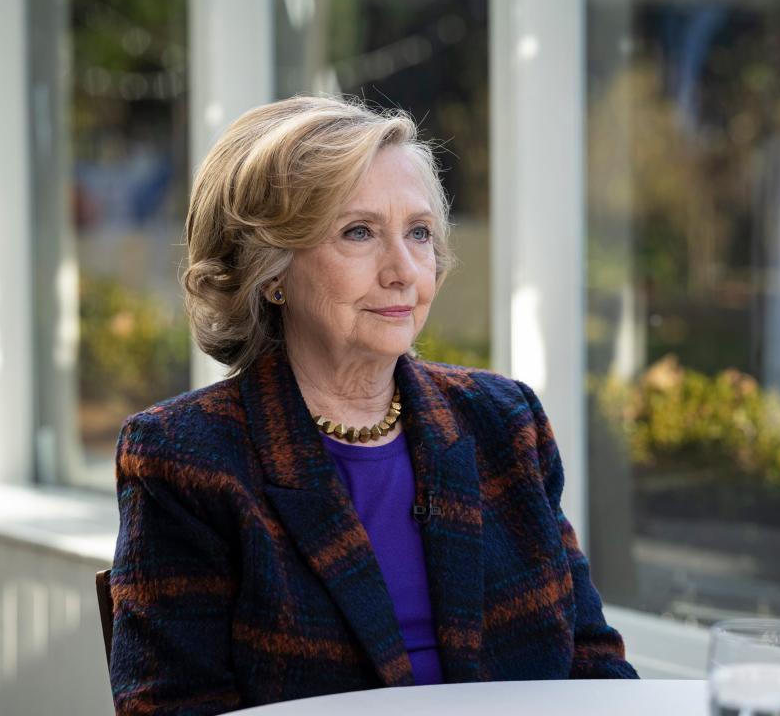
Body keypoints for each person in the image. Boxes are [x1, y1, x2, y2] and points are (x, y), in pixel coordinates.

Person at [108, 95, 637, 715]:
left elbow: (595, 666)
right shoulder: (185, 457)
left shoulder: (504, 420)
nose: (405, 270)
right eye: (359, 232)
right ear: (269, 270)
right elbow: (173, 706)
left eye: (418, 233)